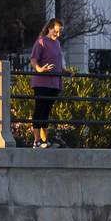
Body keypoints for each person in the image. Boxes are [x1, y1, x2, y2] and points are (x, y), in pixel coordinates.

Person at [28, 18, 64, 149]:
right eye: (56, 31)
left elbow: (57, 62)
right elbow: (33, 60)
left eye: (60, 32)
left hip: (54, 82)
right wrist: (39, 69)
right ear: (49, 28)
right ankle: (37, 140)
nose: (58, 35)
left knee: (46, 111)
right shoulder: (41, 42)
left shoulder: (57, 44)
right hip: (42, 82)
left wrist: (66, 71)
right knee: (40, 109)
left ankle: (45, 140)